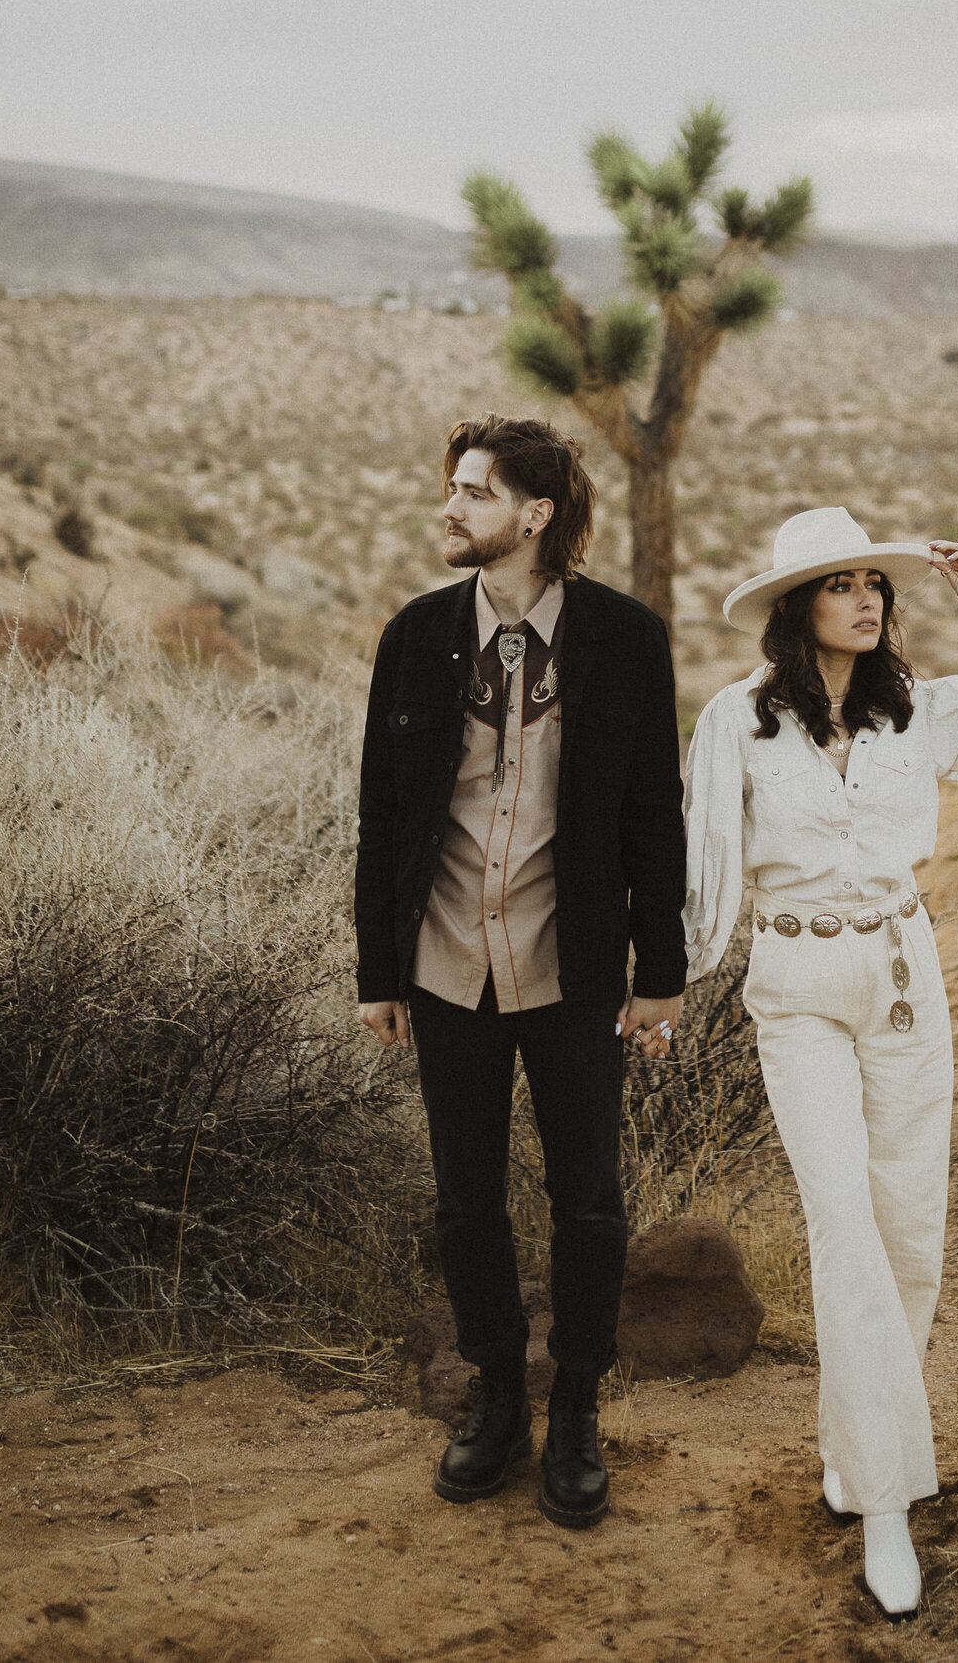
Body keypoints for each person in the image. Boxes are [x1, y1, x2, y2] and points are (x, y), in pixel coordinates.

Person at [683, 507, 958, 1618]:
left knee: (908, 1226)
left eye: (874, 583)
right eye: (839, 582)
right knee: (843, 1224)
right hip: (797, 987)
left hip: (905, 975)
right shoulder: (737, 722)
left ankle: (858, 1454)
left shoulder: (923, 713)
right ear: (792, 606)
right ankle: (890, 1507)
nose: (865, 598)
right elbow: (703, 855)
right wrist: (663, 978)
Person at [354, 414, 686, 1529]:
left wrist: (662, 971)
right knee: (465, 1199)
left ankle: (579, 1402)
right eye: (449, 489)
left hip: (574, 968)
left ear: (535, 516)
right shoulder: (413, 634)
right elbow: (381, 816)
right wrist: (377, 970)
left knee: (589, 1200)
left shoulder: (625, 640)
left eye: (472, 492)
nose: (447, 508)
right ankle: (498, 1394)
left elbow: (654, 813)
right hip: (446, 962)